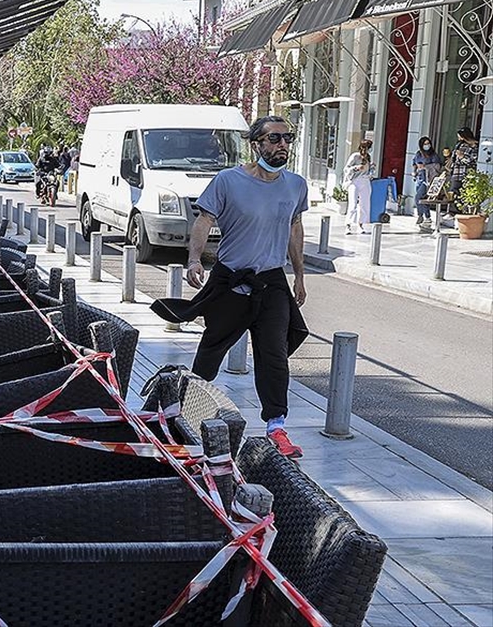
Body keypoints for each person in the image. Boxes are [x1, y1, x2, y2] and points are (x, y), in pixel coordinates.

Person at [150, 116, 310, 459]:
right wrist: (195, 260)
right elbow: (204, 220)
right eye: (275, 138)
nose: (282, 144)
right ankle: (184, 411)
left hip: (271, 281)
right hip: (232, 279)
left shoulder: (296, 185)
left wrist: (299, 274)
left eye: (287, 138)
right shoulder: (227, 180)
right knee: (212, 348)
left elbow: (295, 227)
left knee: (274, 354)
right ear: (257, 144)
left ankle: (276, 427)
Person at [344, 139, 375, 234]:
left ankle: (360, 224)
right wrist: (356, 168)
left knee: (364, 204)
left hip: (365, 181)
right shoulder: (355, 156)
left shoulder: (368, 157)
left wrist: (372, 169)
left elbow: (369, 171)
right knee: (353, 203)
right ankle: (348, 225)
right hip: (354, 181)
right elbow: (346, 169)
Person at [412, 136, 441, 225]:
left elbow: (437, 166)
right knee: (421, 198)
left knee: (419, 196)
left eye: (428, 143)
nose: (426, 145)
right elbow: (414, 163)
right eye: (424, 144)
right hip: (419, 178)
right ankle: (425, 216)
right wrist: (414, 171)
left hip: (428, 178)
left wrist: (426, 167)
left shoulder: (433, 155)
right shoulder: (418, 154)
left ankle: (423, 215)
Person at [449, 126, 480, 205]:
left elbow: (473, 162)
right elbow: (454, 158)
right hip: (456, 173)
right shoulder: (460, 145)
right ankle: (451, 210)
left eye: (459, 136)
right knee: (453, 192)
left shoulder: (475, 146)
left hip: (466, 174)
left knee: (464, 194)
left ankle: (462, 212)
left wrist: (462, 157)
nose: (458, 138)